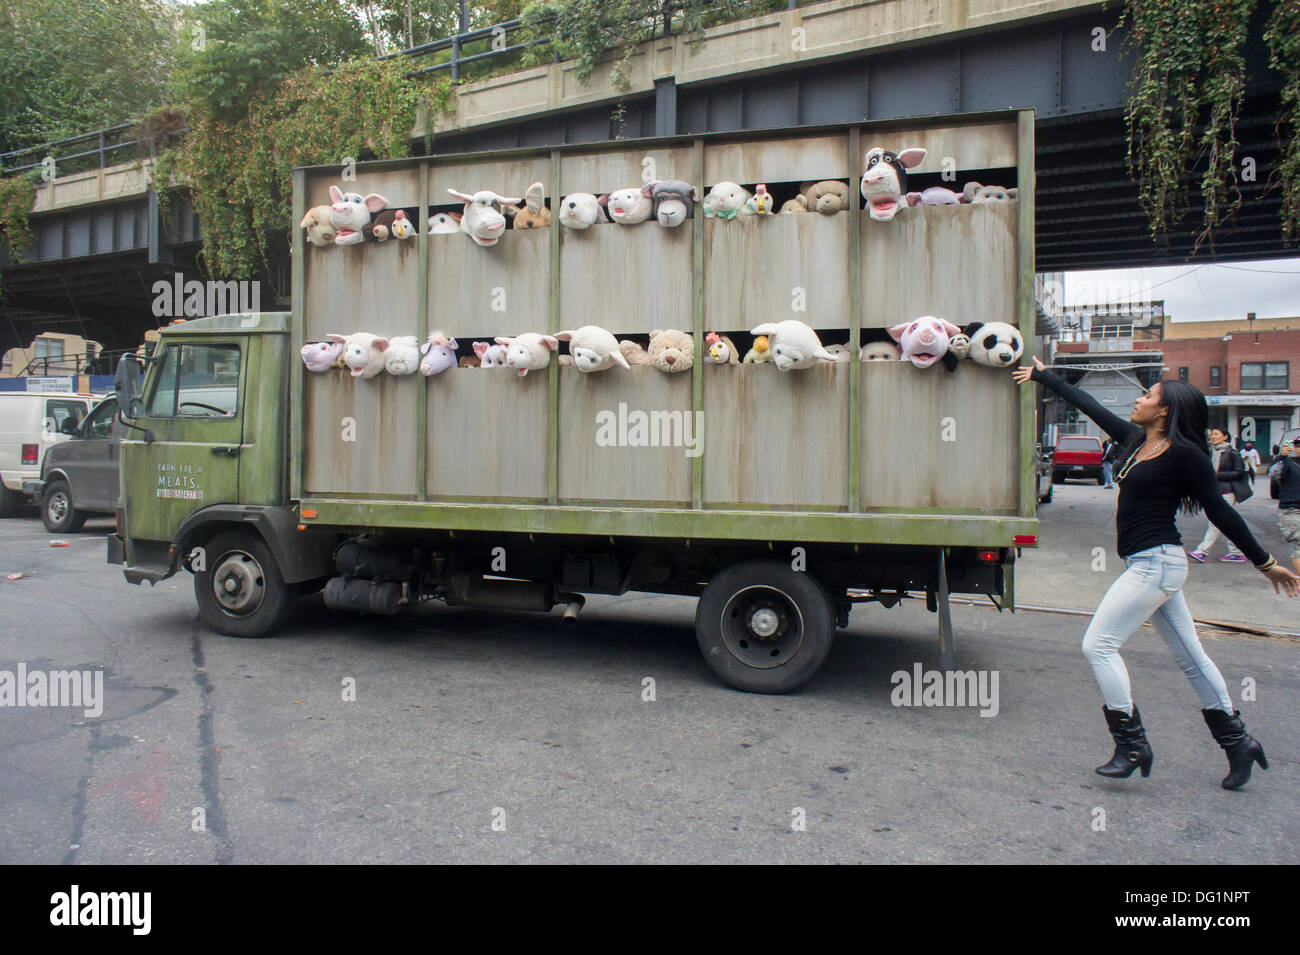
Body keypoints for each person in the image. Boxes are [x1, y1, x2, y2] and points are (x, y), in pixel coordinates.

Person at [1013, 356, 1299, 790]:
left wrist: (1264, 563)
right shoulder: (1133, 439)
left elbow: (1220, 509)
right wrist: (1042, 375)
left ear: (1164, 410)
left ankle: (1131, 745)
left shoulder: (1186, 456)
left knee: (1099, 645)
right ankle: (1240, 744)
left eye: (1147, 396)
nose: (1139, 400)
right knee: (1191, 658)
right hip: (1149, 565)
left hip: (1156, 564)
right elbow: (1088, 404)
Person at [1187, 429, 1252, 563]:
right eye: (1212, 435)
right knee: (1227, 522)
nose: (1213, 437)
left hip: (1227, 491)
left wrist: (1216, 475)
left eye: (1216, 434)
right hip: (1215, 490)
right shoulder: (1212, 452)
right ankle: (1236, 552)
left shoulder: (1232, 453)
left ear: (1225, 437)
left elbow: (1239, 472)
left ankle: (1202, 551)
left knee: (1216, 521)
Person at [1267, 438, 1300, 575]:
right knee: (1298, 544)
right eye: (1298, 446)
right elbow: (1272, 474)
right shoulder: (1287, 463)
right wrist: (1282, 456)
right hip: (1291, 510)